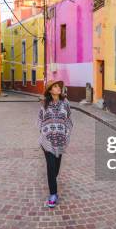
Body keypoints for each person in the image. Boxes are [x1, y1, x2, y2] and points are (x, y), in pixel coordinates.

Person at [37, 80, 73, 208]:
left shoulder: (65, 102)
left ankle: (53, 182)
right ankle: (53, 194)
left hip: (60, 140)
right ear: (50, 90)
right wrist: (43, 133)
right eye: (55, 86)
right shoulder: (44, 104)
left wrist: (67, 133)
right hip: (47, 140)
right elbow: (40, 119)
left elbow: (69, 118)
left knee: (56, 168)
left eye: (59, 86)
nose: (58, 88)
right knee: (51, 166)